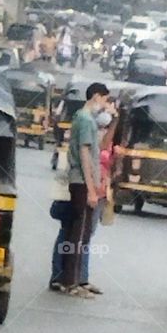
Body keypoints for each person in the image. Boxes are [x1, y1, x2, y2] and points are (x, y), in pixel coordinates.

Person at [61, 82, 110, 299]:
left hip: (83, 181)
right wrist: (91, 189)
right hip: (81, 182)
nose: (106, 105)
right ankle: (71, 283)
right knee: (78, 234)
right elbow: (84, 154)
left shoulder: (84, 118)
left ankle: (76, 279)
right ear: (97, 96)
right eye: (105, 99)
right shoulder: (85, 119)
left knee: (80, 232)